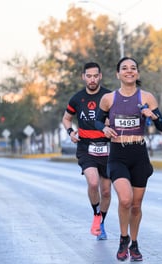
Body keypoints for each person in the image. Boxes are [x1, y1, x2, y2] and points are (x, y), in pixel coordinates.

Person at [95, 57, 162, 262]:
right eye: (124, 68)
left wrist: (151, 115)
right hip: (118, 154)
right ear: (118, 74)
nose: (129, 71)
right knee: (125, 199)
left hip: (139, 155)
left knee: (136, 205)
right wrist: (105, 128)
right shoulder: (109, 99)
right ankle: (123, 238)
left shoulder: (147, 97)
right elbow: (98, 120)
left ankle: (134, 244)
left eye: (133, 68)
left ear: (137, 73)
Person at [62, 62, 112, 241]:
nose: (92, 79)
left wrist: (110, 124)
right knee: (93, 183)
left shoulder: (109, 96)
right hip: (86, 148)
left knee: (106, 191)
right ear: (83, 77)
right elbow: (67, 118)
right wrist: (70, 132)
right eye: (88, 76)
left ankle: (101, 223)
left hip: (107, 148)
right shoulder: (77, 98)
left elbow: (116, 117)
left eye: (95, 76)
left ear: (100, 77)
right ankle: (96, 214)